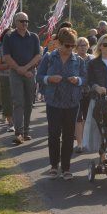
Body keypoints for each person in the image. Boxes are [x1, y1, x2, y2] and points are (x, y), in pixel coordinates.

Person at [36, 27, 87, 180]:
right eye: (67, 46)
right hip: (53, 102)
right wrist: (49, 79)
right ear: (60, 43)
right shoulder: (49, 57)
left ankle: (66, 168)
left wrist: (77, 80)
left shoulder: (79, 60)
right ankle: (53, 166)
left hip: (72, 102)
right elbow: (39, 76)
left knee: (68, 136)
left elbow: (85, 79)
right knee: (53, 134)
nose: (70, 49)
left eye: (73, 46)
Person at [2, 12, 42, 145]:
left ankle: (26, 132)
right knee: (18, 101)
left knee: (29, 103)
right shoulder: (9, 37)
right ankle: (18, 133)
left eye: (26, 21)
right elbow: (7, 57)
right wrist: (20, 69)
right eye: (22, 21)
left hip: (30, 73)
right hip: (15, 73)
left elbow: (37, 55)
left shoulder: (34, 37)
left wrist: (26, 68)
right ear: (15, 22)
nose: (25, 23)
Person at [74, 36, 94, 153]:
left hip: (90, 92)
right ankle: (80, 143)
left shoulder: (92, 59)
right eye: (80, 45)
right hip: (77, 92)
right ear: (76, 47)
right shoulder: (74, 59)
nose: (83, 47)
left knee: (88, 118)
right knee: (78, 118)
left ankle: (87, 141)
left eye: (85, 45)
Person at [0, 30, 14, 132]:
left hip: (19, 76)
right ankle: (10, 122)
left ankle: (15, 120)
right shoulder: (0, 49)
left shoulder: (18, 48)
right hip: (5, 77)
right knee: (8, 100)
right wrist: (12, 64)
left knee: (18, 100)